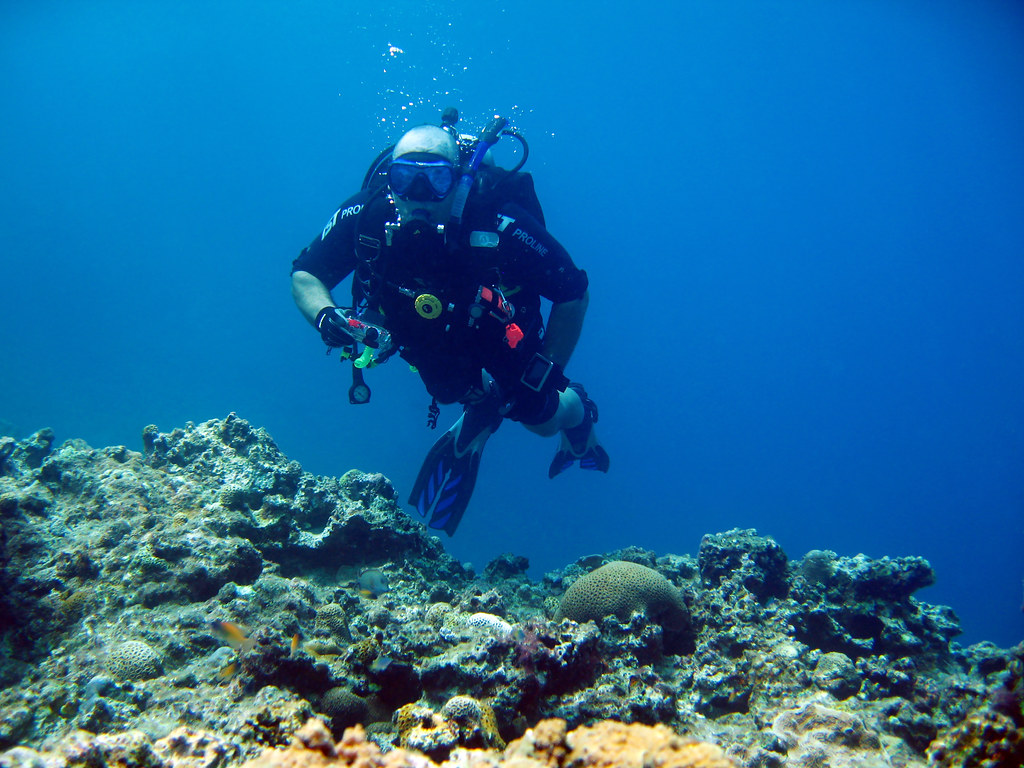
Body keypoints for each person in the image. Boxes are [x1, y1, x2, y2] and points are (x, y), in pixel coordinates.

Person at [290, 111, 608, 535]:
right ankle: (483, 400)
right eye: (405, 178)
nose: (419, 194)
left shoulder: (499, 221)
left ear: (457, 179)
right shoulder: (367, 214)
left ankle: (576, 408)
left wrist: (547, 370)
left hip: (501, 327)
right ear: (390, 180)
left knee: (539, 418)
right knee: (448, 388)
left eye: (436, 179)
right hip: (424, 334)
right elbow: (306, 274)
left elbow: (573, 291)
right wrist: (325, 316)